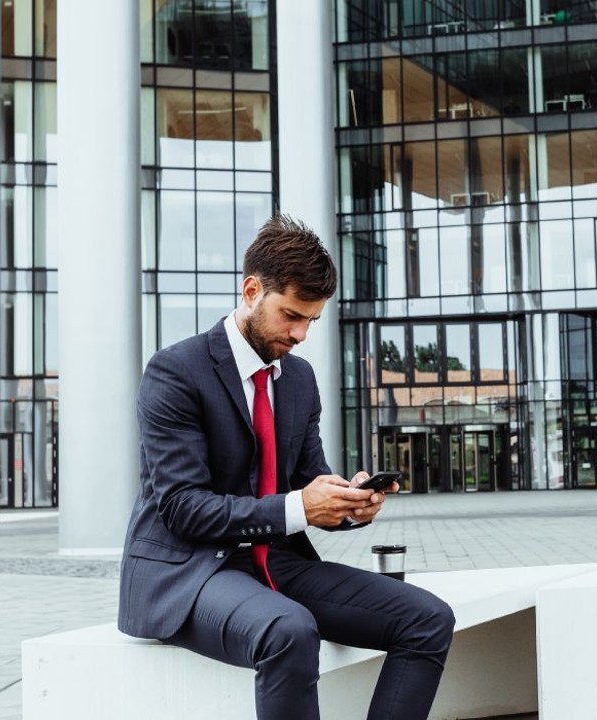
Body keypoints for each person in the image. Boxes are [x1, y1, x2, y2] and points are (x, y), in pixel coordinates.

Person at [117, 214, 455, 720]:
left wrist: (348, 503)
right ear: (252, 290)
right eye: (291, 315)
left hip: (274, 562)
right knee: (289, 630)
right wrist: (301, 506)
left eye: (311, 321)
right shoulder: (175, 372)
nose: (300, 334)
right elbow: (182, 508)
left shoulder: (298, 379)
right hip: (187, 571)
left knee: (427, 617)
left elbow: (307, 484)